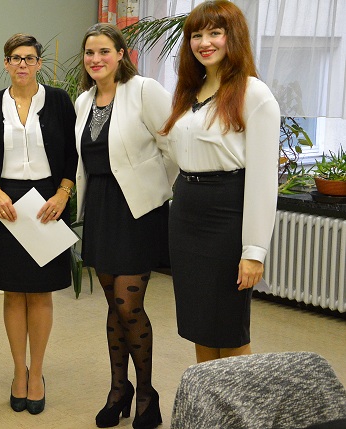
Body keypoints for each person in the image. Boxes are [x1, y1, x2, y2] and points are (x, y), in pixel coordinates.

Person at [160, 1, 280, 363]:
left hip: (226, 215)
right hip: (186, 213)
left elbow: (263, 181)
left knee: (228, 325)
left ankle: (239, 400)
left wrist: (254, 252)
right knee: (200, 323)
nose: (205, 42)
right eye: (197, 35)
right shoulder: (188, 91)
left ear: (234, 37)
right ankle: (208, 397)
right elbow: (172, 155)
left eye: (215, 33)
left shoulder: (254, 93)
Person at [0, 33, 77, 416]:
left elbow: (73, 154)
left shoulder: (59, 101)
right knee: (14, 293)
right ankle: (19, 371)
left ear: (39, 63)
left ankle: (38, 373)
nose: (22, 64)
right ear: (6, 63)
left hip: (49, 201)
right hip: (6, 205)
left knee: (41, 293)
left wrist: (63, 193)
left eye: (29, 58)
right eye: (15, 58)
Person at [74, 23, 177, 429]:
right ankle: (119, 390)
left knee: (128, 304)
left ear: (121, 54)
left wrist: (154, 189)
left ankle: (147, 393)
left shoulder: (144, 90)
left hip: (137, 209)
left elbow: (172, 146)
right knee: (114, 306)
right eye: (90, 52)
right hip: (101, 208)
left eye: (104, 51)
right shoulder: (84, 100)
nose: (96, 59)